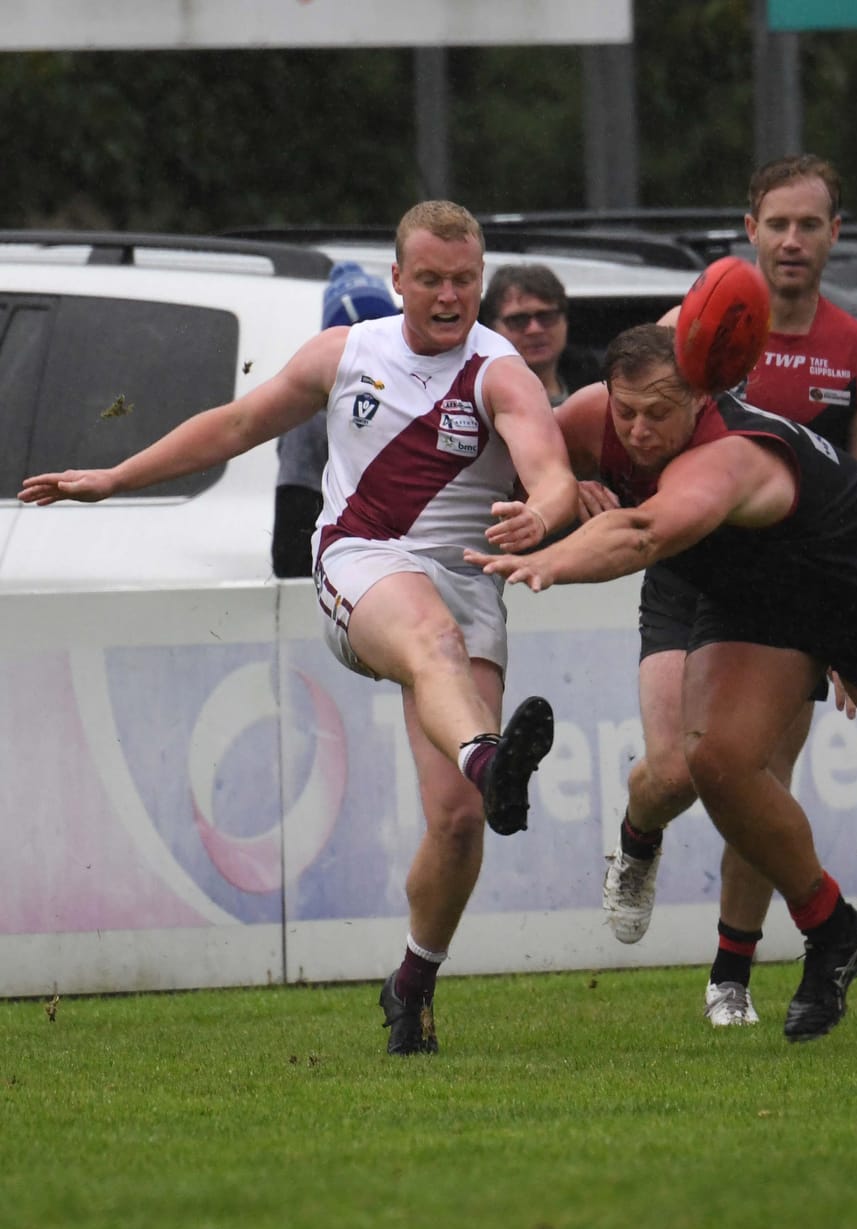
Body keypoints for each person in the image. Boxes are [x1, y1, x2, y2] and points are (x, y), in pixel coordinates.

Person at [20, 200, 578, 1056]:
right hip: (361, 562)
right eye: (429, 278)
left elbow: (550, 472)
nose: (447, 296)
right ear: (397, 279)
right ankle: (492, 757)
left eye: (464, 280)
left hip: (470, 584)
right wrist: (115, 475)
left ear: (481, 279)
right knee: (428, 638)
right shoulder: (347, 352)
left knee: (461, 819)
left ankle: (411, 982)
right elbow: (237, 424)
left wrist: (542, 516)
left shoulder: (502, 371)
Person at [473, 323, 857, 1051]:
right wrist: (559, 495)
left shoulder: (730, 454)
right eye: (626, 410)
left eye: (659, 412)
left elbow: (641, 533)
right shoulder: (593, 416)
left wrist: (549, 561)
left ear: (701, 398)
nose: (637, 430)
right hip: (761, 599)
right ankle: (832, 927)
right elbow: (524, 464)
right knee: (714, 759)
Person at [586, 154, 857, 1030]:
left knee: (759, 779)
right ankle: (638, 839)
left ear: (837, 233)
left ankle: (731, 974)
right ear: (749, 229)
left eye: (811, 224)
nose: (793, 240)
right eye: (778, 223)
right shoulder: (688, 328)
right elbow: (627, 435)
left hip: (783, 601)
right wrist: (584, 489)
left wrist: (852, 624)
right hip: (686, 573)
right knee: (679, 769)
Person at [271, 262, 400, 577]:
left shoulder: (418, 396)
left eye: (381, 329)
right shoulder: (311, 418)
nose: (370, 347)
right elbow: (293, 542)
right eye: (355, 336)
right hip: (341, 589)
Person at [481, 263, 596, 405]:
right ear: (492, 328)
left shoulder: (602, 388)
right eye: (518, 320)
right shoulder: (476, 402)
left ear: (565, 320)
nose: (535, 329)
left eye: (546, 316)